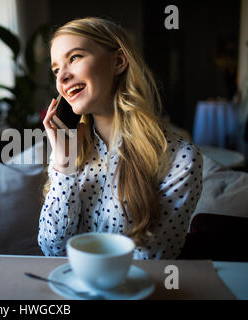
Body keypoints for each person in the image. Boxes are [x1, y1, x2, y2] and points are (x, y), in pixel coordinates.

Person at [39, 17, 203, 260]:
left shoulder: (180, 158)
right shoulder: (67, 151)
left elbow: (151, 260)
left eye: (74, 58)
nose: (62, 77)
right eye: (55, 69)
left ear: (118, 61)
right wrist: (64, 166)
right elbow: (52, 250)